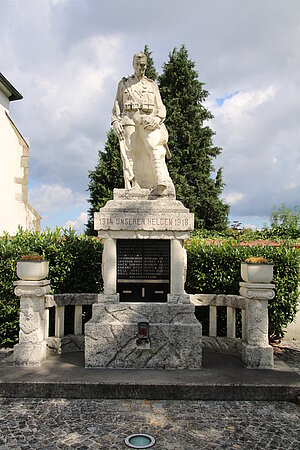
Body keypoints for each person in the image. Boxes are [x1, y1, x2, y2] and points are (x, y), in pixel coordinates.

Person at [111, 52, 174, 195]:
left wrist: (157, 119)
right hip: (128, 120)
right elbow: (117, 105)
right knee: (130, 152)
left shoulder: (152, 85)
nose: (141, 68)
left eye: (144, 65)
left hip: (147, 121)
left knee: (154, 147)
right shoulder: (124, 84)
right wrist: (115, 121)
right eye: (139, 65)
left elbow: (161, 107)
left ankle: (160, 180)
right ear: (133, 65)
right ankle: (134, 186)